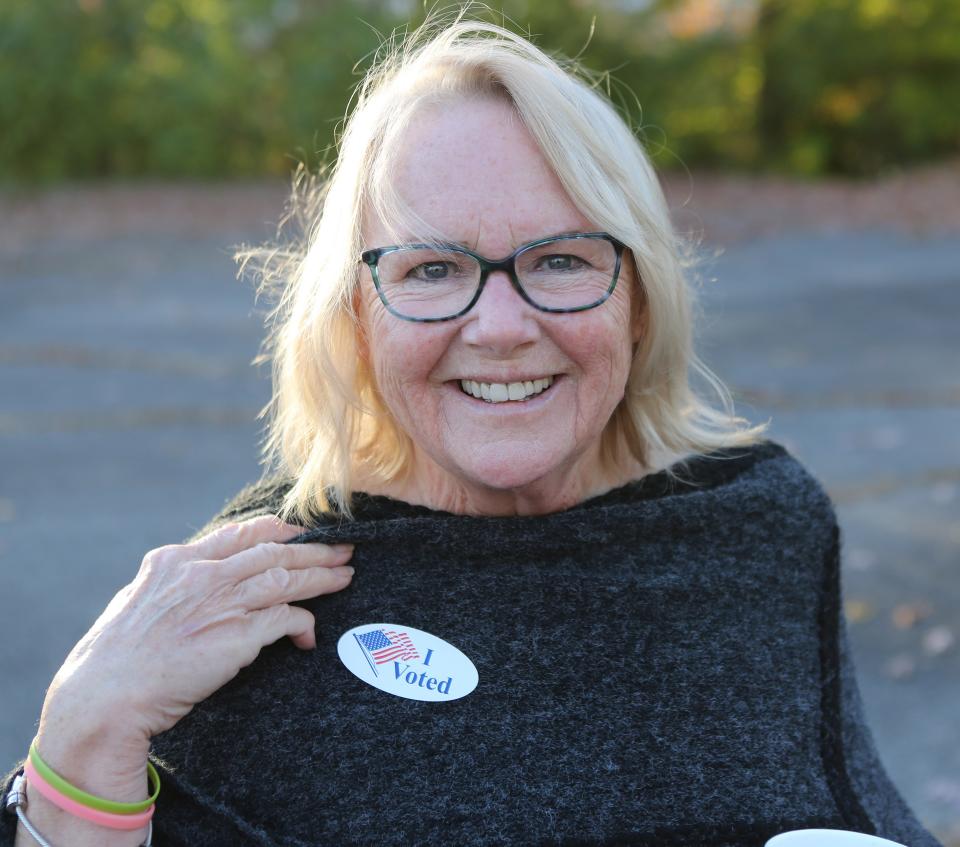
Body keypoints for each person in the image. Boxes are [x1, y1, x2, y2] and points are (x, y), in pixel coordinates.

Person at [2, 15, 942, 847]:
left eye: (563, 259)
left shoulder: (760, 525)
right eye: (430, 270)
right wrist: (78, 751)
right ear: (355, 320)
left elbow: (852, 809)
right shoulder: (252, 599)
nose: (498, 327)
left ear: (641, 302)